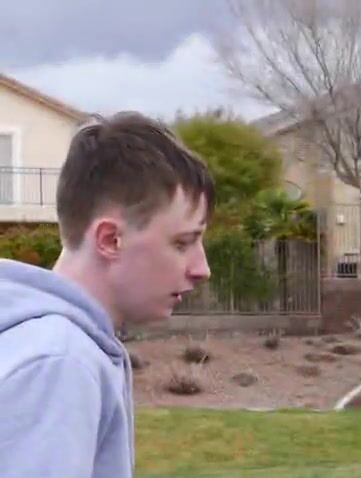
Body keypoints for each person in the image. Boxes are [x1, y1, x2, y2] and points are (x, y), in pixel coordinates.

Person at [0, 111, 215, 477]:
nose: (201, 268)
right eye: (182, 243)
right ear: (111, 240)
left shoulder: (45, 344)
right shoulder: (61, 363)